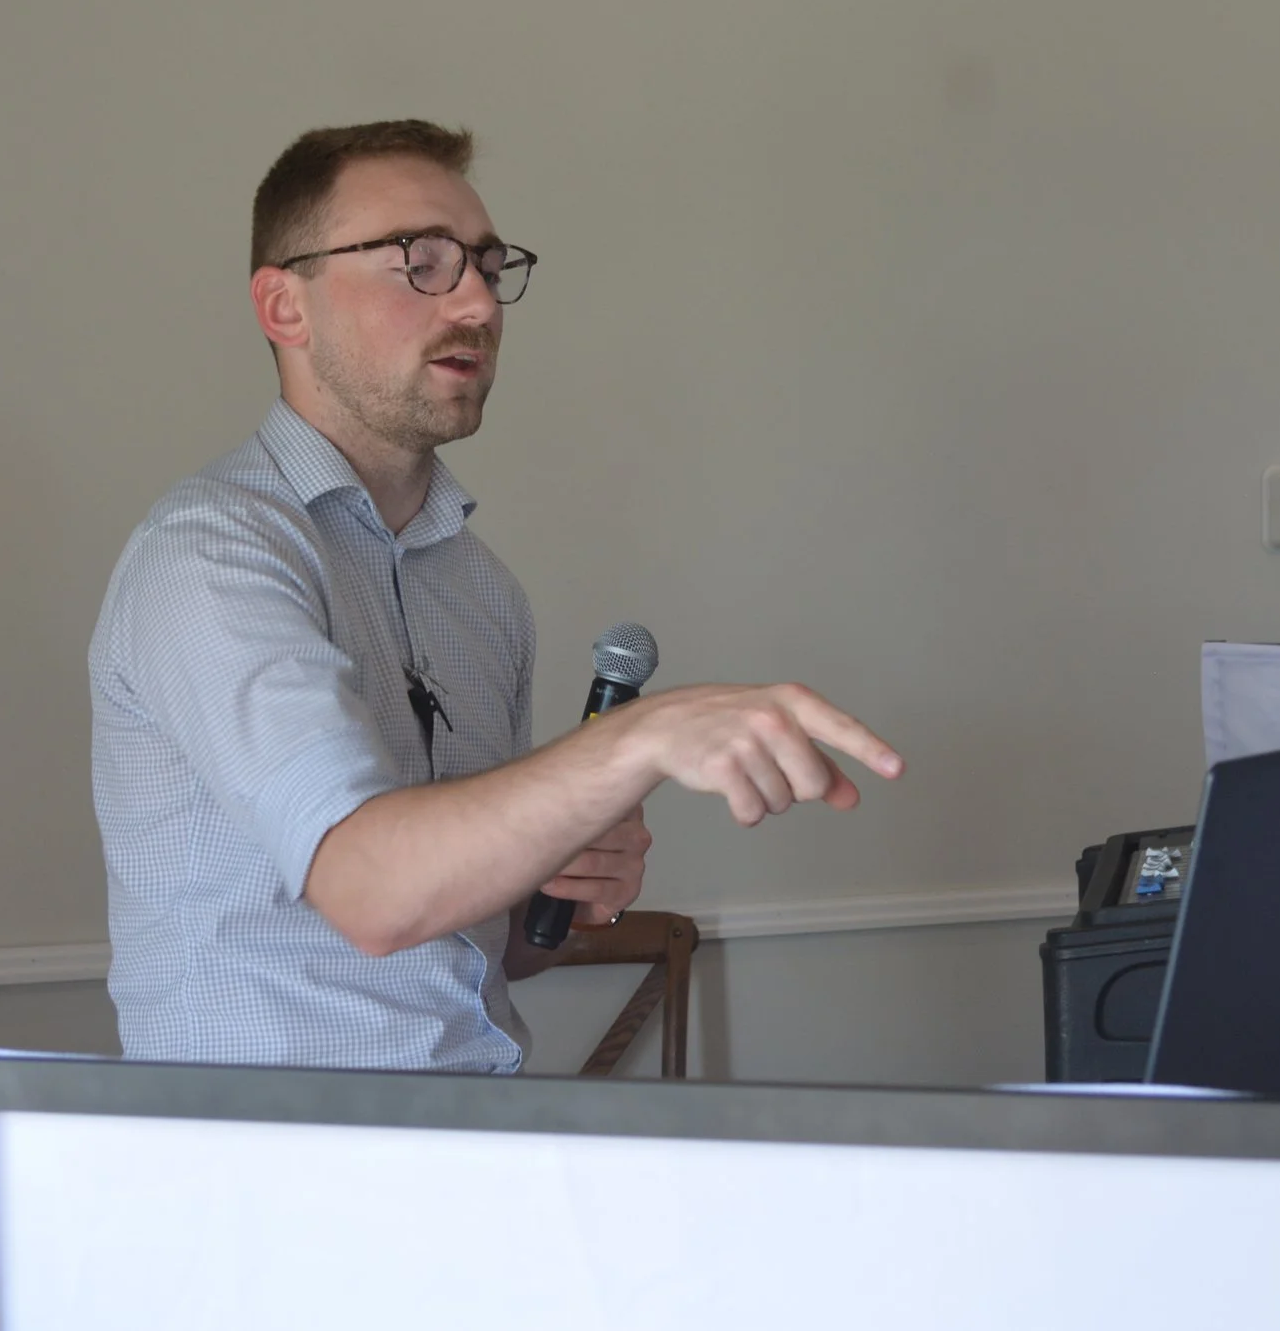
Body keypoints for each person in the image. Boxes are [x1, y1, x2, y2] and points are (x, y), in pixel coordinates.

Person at [89, 120, 902, 1070]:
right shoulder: (209, 557)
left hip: (477, 1140)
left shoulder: (479, 590)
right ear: (285, 306)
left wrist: (554, 879)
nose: (476, 298)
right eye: (420, 261)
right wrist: (637, 741)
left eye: (485, 262)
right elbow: (377, 895)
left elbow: (483, 943)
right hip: (276, 1179)